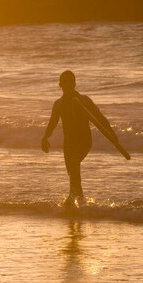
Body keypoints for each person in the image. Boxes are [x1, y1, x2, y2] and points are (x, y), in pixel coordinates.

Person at [41, 70, 119, 207]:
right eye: (65, 81)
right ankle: (72, 202)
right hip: (69, 144)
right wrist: (45, 137)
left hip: (84, 141)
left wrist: (112, 134)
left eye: (71, 81)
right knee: (72, 172)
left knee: (74, 165)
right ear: (60, 84)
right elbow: (52, 123)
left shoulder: (84, 100)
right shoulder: (58, 104)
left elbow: (100, 117)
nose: (68, 84)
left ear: (75, 83)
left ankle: (80, 200)